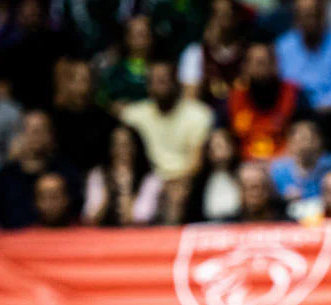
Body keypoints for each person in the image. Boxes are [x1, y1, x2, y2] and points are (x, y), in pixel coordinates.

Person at [275, 0, 331, 149]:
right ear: (296, 19)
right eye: (302, 16)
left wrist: (319, 108)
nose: (308, 21)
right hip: (294, 112)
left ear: (323, 17)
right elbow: (283, 86)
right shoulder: (283, 46)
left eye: (312, 16)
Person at [121, 59, 216, 190]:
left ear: (176, 83)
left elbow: (196, 164)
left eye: (164, 80)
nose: (160, 86)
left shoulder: (199, 114)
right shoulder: (133, 115)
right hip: (146, 182)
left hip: (186, 182)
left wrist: (173, 183)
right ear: (148, 86)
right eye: (155, 81)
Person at [227, 40, 308, 160]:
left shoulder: (293, 94)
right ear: (245, 67)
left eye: (264, 62)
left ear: (275, 65)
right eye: (255, 63)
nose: (260, 68)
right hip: (244, 165)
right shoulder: (234, 98)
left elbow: (305, 133)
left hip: (284, 164)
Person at [50, 58, 119, 175]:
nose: (81, 86)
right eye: (75, 80)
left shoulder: (105, 120)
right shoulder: (53, 118)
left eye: (85, 80)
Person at [85, 124, 164, 227]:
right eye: (116, 145)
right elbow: (90, 218)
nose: (121, 151)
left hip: (137, 237)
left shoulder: (150, 178)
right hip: (103, 236)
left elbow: (139, 219)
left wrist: (125, 190)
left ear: (135, 148)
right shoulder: (98, 174)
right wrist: (109, 192)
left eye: (126, 145)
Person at [268, 118, 331, 203]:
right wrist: (284, 200)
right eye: (300, 140)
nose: (305, 145)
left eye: (310, 140)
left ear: (320, 142)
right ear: (290, 143)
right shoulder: (278, 172)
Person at [184, 127, 243, 223]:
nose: (219, 151)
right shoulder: (199, 182)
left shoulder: (242, 175)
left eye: (223, 146)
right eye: (215, 146)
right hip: (208, 227)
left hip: (239, 226)